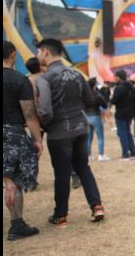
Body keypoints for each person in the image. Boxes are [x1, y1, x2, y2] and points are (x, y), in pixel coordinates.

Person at [35, 38, 106, 226]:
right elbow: (90, 100)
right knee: (83, 167)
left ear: (45, 52)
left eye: (38, 52)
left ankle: (60, 215)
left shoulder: (45, 78)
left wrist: (46, 126)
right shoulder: (76, 74)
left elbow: (44, 110)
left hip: (59, 132)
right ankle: (97, 206)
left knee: (62, 173)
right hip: (80, 127)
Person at [3, 41, 42, 240]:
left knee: (7, 179)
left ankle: (16, 224)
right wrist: (37, 139)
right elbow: (29, 114)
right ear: (12, 55)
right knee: (13, 180)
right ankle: (16, 224)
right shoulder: (19, 79)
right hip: (13, 133)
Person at [110, 69, 135, 161]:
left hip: (121, 113)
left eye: (115, 77)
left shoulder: (119, 88)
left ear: (118, 77)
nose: (114, 78)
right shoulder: (132, 87)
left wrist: (111, 98)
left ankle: (125, 154)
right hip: (130, 113)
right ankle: (133, 152)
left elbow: (114, 101)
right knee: (128, 132)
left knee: (122, 133)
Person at [86, 77, 111, 161]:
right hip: (95, 116)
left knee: (89, 138)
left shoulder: (84, 95)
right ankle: (101, 155)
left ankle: (88, 156)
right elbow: (104, 105)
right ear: (94, 85)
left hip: (87, 117)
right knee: (100, 137)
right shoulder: (97, 95)